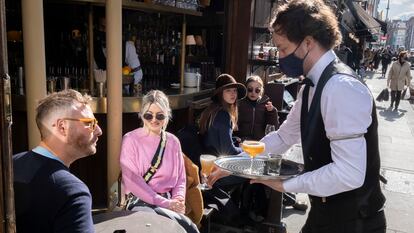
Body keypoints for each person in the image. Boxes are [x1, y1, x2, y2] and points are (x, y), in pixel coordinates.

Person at [210, 1, 387, 232]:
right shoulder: (311, 86)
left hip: (355, 222)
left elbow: (349, 173)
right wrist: (235, 164)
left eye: (283, 49)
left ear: (307, 43)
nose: (280, 57)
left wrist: (285, 184)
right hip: (324, 213)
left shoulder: (341, 88)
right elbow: (284, 137)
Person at [13, 89, 102, 233]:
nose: (98, 130)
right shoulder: (72, 192)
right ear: (62, 127)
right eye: (90, 123)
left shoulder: (10, 165)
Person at [119, 90, 199, 233]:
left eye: (160, 115)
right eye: (148, 115)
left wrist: (179, 201)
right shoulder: (130, 139)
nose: (154, 120)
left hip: (168, 200)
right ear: (142, 115)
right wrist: (167, 204)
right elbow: (133, 181)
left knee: (190, 228)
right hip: (141, 201)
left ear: (167, 115)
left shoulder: (173, 141)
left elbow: (180, 178)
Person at [199, 73, 246, 156]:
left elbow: (216, 138)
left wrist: (234, 140)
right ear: (220, 94)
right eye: (228, 90)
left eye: (234, 90)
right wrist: (244, 149)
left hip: (208, 157)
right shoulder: (223, 115)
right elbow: (229, 151)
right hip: (216, 162)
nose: (233, 94)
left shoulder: (213, 110)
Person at [94, 17, 143, 93]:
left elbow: (138, 73)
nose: (104, 30)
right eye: (102, 27)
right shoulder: (93, 48)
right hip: (101, 94)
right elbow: (94, 73)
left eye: (108, 27)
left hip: (121, 95)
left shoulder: (127, 47)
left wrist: (125, 88)